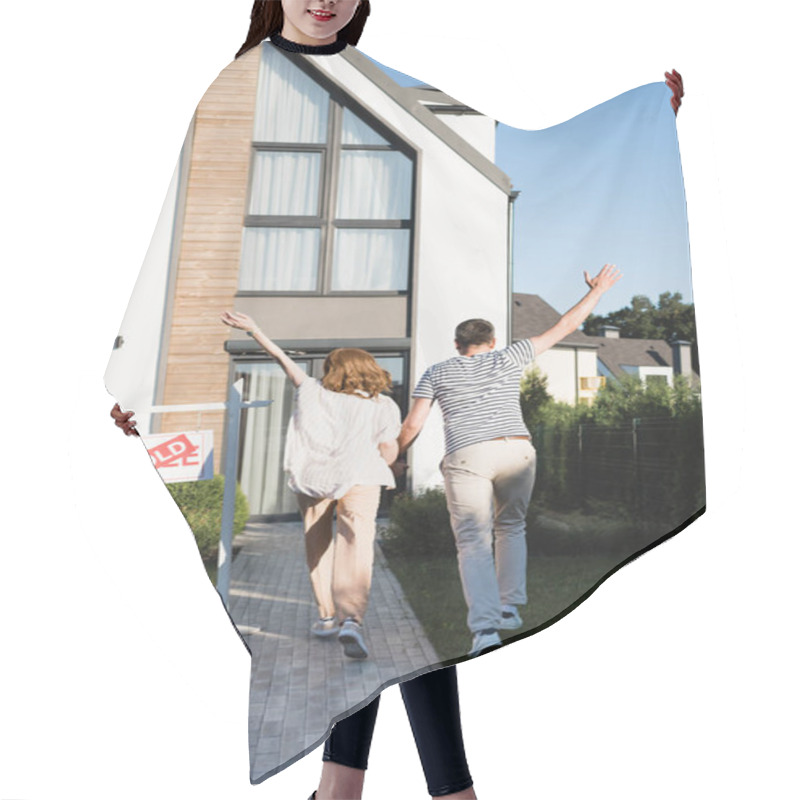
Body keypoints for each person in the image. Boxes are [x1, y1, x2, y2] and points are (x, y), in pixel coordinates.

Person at [397, 265, 622, 657]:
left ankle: (485, 631)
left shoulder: (436, 372)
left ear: (457, 344)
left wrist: (393, 454)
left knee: (472, 540)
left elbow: (414, 423)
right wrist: (597, 291)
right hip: (517, 449)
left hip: (469, 453)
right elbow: (566, 325)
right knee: (511, 525)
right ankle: (509, 606)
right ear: (492, 341)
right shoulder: (510, 355)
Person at [220, 310, 400, 659]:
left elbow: (281, 357)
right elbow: (388, 449)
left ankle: (326, 616)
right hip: (361, 477)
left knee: (317, 542)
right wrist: (389, 463)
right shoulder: (383, 405)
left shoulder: (312, 390)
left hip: (313, 478)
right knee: (357, 545)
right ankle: (353, 620)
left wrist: (255, 329)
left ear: (332, 370)